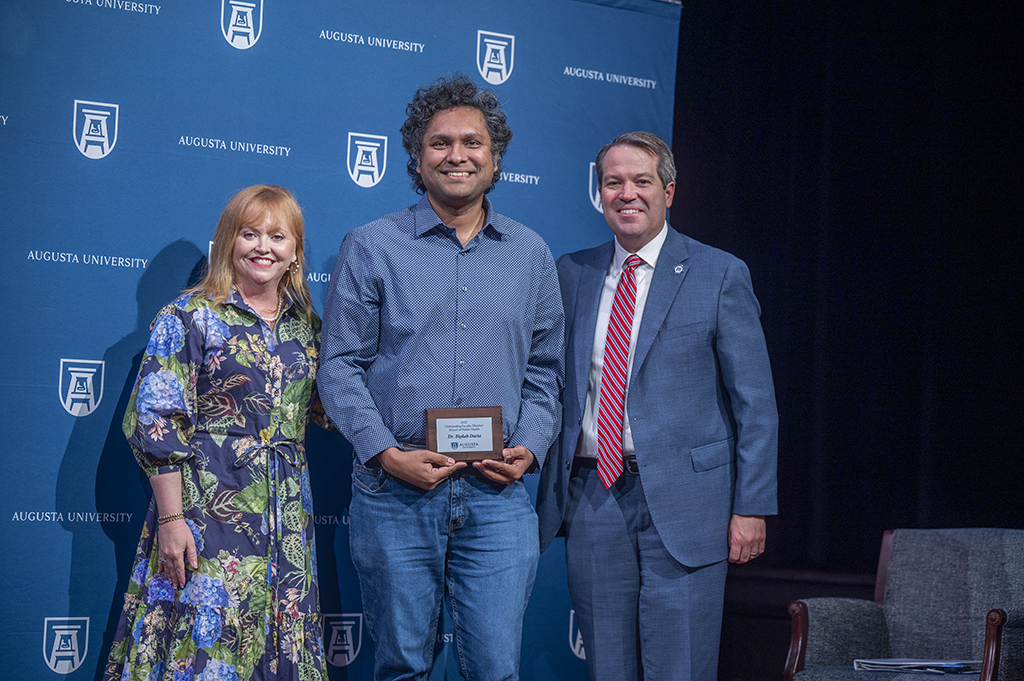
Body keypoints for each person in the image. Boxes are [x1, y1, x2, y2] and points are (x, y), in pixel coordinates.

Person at [317, 75, 564, 681]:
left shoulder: (530, 253)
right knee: (402, 666)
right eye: (440, 143)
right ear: (416, 159)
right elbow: (340, 367)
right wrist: (385, 454)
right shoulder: (372, 246)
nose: (457, 155)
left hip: (497, 499)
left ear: (496, 156)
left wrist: (530, 447)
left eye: (472, 142)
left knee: (496, 670)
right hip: (396, 495)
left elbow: (546, 372)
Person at [537, 132, 778, 680]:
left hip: (691, 504)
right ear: (599, 194)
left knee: (681, 669)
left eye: (641, 181)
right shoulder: (570, 273)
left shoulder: (720, 273)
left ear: (668, 191)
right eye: (613, 182)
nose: (627, 193)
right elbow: (548, 382)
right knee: (609, 667)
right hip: (594, 496)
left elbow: (757, 404)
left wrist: (752, 505)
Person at [103, 185, 328, 681]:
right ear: (228, 241)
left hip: (288, 516)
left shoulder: (308, 328)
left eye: (277, 236)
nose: (263, 247)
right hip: (208, 512)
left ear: (294, 252)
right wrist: (171, 520)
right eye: (249, 234)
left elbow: (334, 407)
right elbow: (157, 422)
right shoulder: (188, 316)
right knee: (206, 636)